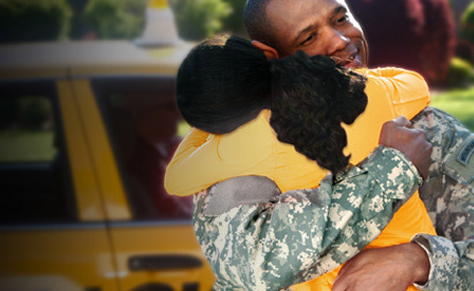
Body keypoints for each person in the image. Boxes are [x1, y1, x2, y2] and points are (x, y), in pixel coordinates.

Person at [166, 0, 474, 290]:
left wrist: (419, 261)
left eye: (341, 19)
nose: (341, 41)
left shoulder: (427, 128)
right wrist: (392, 169)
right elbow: (257, 265)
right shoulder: (238, 154)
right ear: (272, 57)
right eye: (308, 37)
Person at [174, 34, 435, 290]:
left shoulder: (236, 151)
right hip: (419, 273)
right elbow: (416, 85)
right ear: (265, 52)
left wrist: (215, 118)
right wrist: (356, 76)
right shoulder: (367, 93)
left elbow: (176, 178)